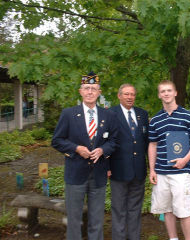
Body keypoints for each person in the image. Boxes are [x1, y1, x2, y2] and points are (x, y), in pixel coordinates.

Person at [52, 72, 118, 240]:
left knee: (97, 219)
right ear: (80, 91)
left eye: (93, 89)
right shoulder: (68, 114)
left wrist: (103, 150)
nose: (90, 92)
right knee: (73, 219)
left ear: (99, 92)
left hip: (98, 174)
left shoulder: (108, 115)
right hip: (75, 174)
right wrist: (75, 148)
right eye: (86, 88)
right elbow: (57, 140)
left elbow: (114, 141)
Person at [148, 80, 190, 240]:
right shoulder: (155, 119)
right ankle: (173, 238)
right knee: (167, 209)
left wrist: (185, 160)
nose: (166, 93)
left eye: (169, 90)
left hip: (181, 172)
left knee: (184, 210)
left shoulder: (187, 115)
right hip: (161, 172)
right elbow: (152, 145)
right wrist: (152, 169)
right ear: (159, 95)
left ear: (175, 93)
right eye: (163, 91)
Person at [108, 84, 149, 240]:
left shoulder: (142, 114)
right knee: (118, 209)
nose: (130, 97)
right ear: (119, 96)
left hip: (138, 171)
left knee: (135, 209)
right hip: (118, 170)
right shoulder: (110, 114)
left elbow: (146, 142)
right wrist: (106, 166)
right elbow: (105, 142)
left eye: (132, 94)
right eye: (126, 94)